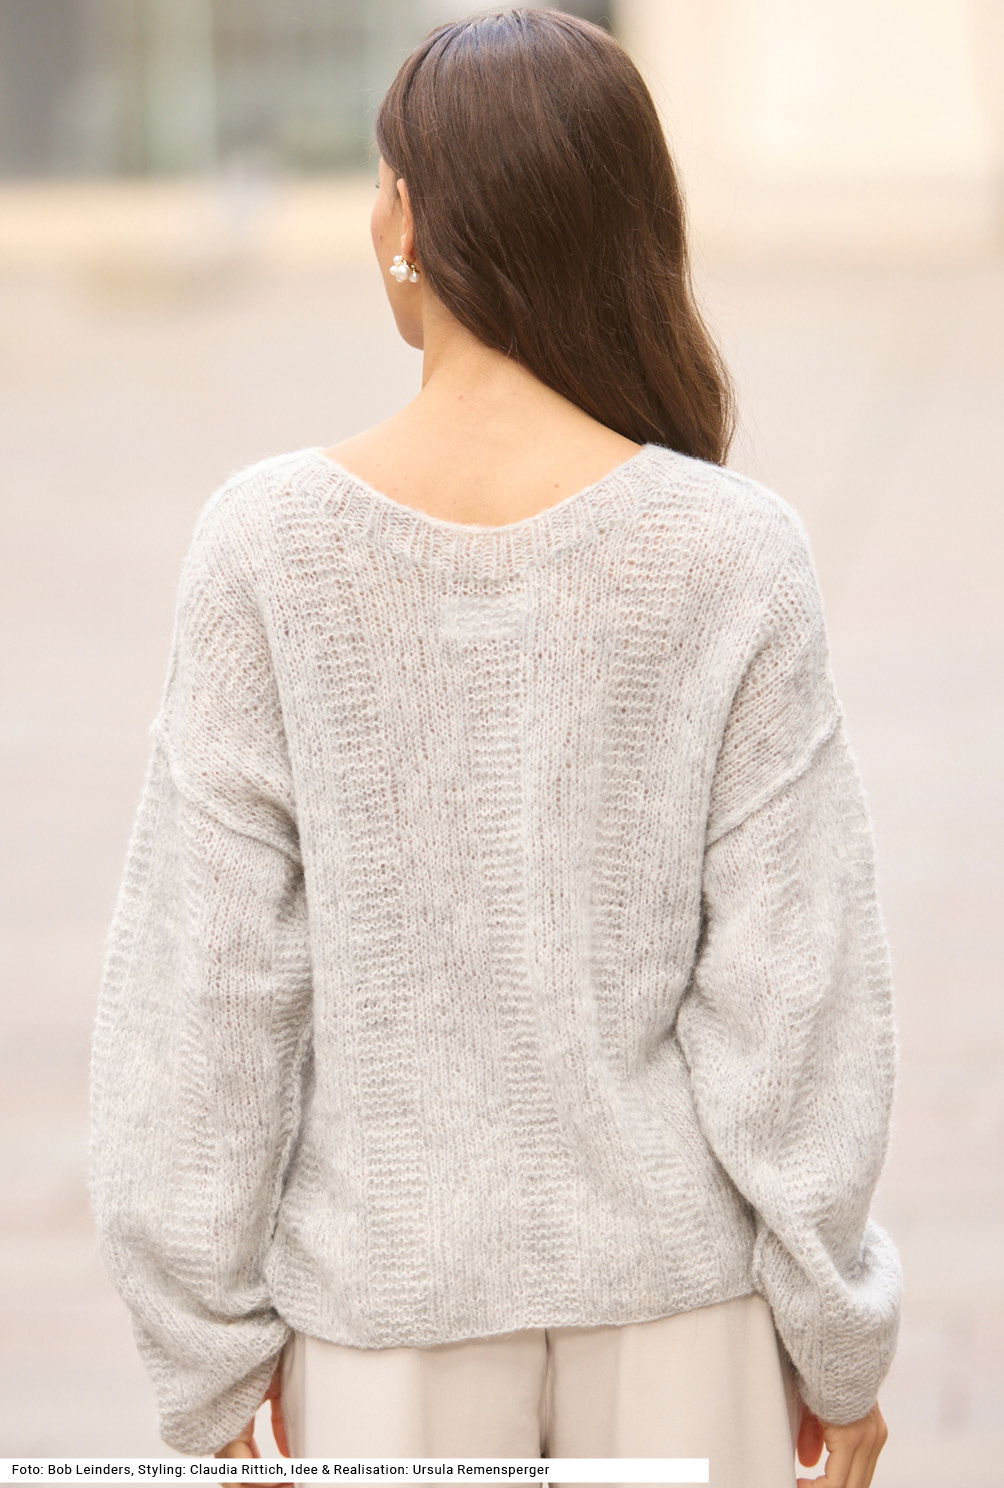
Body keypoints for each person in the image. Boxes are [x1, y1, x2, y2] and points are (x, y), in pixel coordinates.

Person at [87, 8, 902, 1487]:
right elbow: (798, 995)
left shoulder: (267, 547)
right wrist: (835, 1336)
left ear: (405, 221)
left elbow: (206, 988)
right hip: (687, 1321)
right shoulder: (736, 553)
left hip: (382, 1327)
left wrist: (201, 1357)